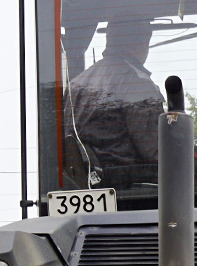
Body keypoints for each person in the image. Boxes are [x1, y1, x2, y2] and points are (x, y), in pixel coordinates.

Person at [68, 18, 165, 191]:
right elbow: (156, 152)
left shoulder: (74, 86)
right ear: (143, 42)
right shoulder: (136, 82)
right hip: (132, 187)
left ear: (109, 40)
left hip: (90, 185)